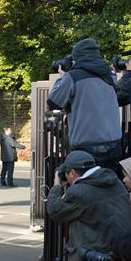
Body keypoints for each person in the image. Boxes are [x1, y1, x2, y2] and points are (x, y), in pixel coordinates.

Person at [46, 151, 131, 261]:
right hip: (120, 255)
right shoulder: (114, 182)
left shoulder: (80, 192)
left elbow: (55, 210)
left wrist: (57, 186)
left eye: (67, 173)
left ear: (72, 173)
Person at [48, 38, 123, 169]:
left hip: (86, 146)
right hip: (114, 143)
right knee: (108, 184)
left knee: (86, 186)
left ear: (77, 58)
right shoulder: (110, 74)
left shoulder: (73, 76)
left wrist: (63, 78)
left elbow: (54, 103)